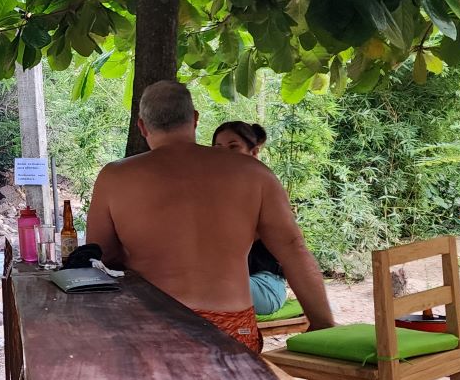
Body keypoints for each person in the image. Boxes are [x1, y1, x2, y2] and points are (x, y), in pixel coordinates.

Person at [85, 81, 334, 352]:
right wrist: (322, 324)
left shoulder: (115, 177)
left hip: (153, 323)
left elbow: (100, 257)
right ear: (194, 119)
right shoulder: (253, 173)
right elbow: (293, 250)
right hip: (232, 324)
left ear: (142, 126)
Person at [211, 121, 289, 316]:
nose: (224, 154)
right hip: (227, 281)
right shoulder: (215, 191)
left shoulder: (265, 189)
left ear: (253, 152)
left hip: (264, 284)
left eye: (233, 147)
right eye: (217, 148)